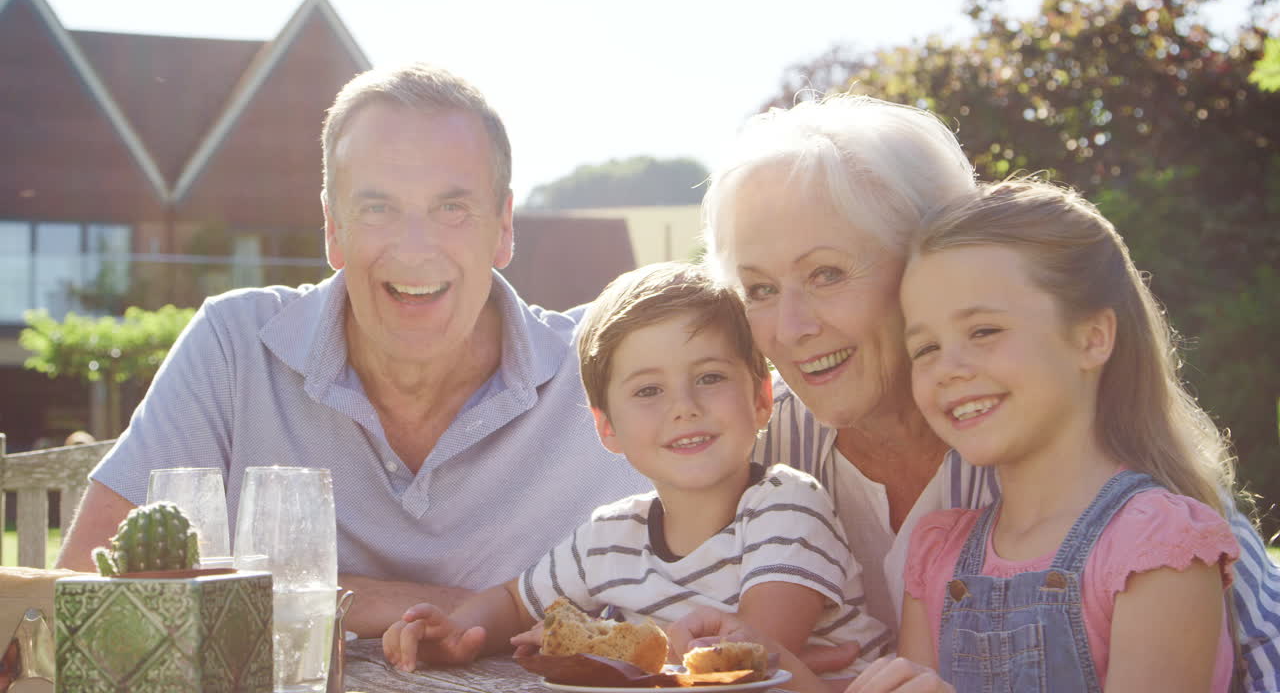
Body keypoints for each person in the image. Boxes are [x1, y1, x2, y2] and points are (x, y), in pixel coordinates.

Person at [672, 94, 1280, 691]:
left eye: (826, 274)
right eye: (758, 290)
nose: (792, 327)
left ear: (929, 264)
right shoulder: (749, 443)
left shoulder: (1094, 473)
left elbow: (1263, 654)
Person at [55, 63, 651, 636]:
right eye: (377, 208)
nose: (414, 249)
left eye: (452, 208)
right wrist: (461, 610)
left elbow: (717, 608)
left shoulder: (607, 368)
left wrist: (285, 594)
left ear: (503, 227)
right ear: (332, 227)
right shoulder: (234, 350)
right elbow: (85, 587)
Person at [382, 262, 890, 689]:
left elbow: (744, 658)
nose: (684, 408)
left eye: (709, 378)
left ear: (761, 399)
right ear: (607, 429)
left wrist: (595, 644)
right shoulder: (610, 537)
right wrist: (460, 631)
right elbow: (513, 603)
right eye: (649, 391)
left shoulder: (787, 506)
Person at [886, 178, 1239, 691]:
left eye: (983, 331)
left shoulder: (1157, 547)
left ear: (1091, 339)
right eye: (924, 348)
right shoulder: (937, 555)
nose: (948, 368)